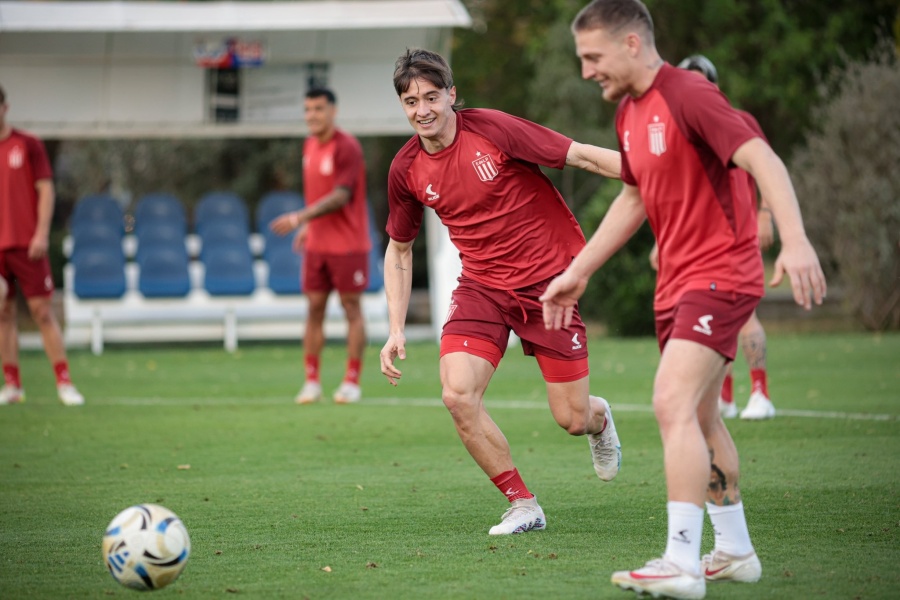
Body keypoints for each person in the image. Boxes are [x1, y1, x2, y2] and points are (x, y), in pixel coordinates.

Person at [542, 2, 826, 598]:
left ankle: (681, 561)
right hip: (676, 283)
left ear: (631, 43)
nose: (588, 69)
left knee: (670, 403)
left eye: (593, 56)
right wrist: (579, 271)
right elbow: (635, 198)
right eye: (582, 59)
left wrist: (795, 240)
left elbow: (762, 158)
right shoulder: (627, 113)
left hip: (720, 274)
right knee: (699, 415)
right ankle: (735, 551)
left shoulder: (689, 94)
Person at [379, 48, 624, 536]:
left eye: (431, 96)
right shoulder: (405, 170)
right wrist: (395, 328)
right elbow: (399, 251)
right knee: (457, 395)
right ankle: (522, 504)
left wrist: (658, 172)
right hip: (482, 288)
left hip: (549, 285)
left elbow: (578, 155)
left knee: (572, 418)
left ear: (451, 95)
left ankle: (599, 420)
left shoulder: (491, 129)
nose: (422, 110)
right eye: (411, 101)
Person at [650, 54, 776, 421]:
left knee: (743, 316)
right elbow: (675, 193)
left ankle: (760, 392)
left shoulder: (739, 120)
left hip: (736, 239)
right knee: (706, 322)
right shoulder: (679, 130)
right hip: (696, 244)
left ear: (714, 85)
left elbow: (767, 165)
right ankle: (725, 397)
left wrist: (767, 214)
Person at [270, 88, 370, 405]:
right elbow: (319, 193)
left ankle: (352, 380)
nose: (312, 115)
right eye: (308, 109)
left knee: (351, 310)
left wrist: (300, 218)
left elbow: (340, 196)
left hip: (349, 244)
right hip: (318, 245)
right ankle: (311, 381)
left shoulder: (347, 147)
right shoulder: (310, 145)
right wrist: (311, 226)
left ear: (333, 111)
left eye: (318, 109)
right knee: (314, 309)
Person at [0, 84, 85, 406]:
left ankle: (64, 382)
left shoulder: (28, 145)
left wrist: (40, 233)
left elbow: (46, 190)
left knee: (42, 312)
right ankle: (12, 385)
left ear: (4, 108)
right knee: (3, 313)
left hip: (26, 242)